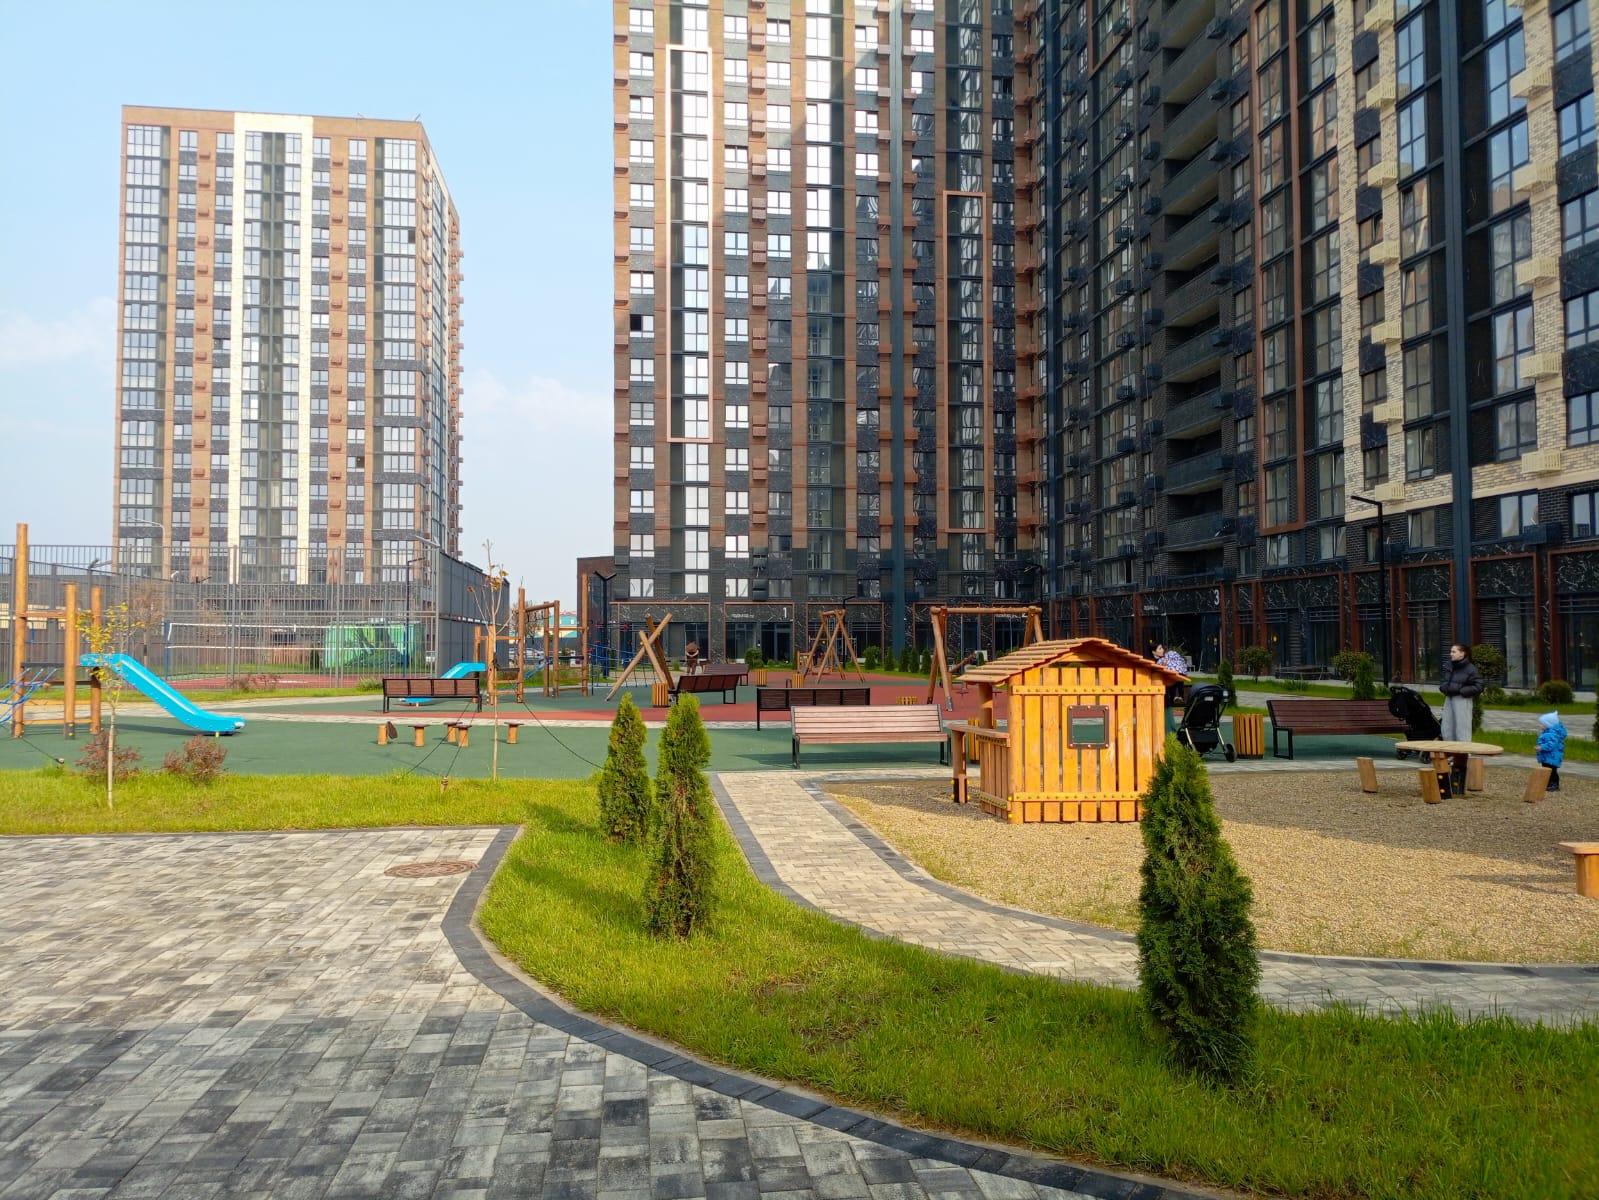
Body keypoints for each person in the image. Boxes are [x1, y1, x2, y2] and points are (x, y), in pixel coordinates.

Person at [1438, 643, 1482, 741]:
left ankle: (1464, 749)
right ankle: (1449, 748)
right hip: (1449, 698)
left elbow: (1479, 686)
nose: (1451, 654)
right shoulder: (1449, 666)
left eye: (1454, 652)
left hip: (1462, 699)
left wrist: (1461, 690)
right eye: (1451, 651)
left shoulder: (1471, 669)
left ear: (1462, 653)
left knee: (1462, 728)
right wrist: (1443, 688)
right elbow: (1444, 681)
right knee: (1446, 727)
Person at [1537, 711, 1567, 792]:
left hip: (1552, 757)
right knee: (1547, 770)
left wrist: (1541, 747)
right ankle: (1548, 783)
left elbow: (1551, 745)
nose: (1540, 725)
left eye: (1542, 724)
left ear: (1548, 724)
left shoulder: (1553, 734)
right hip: (1547, 757)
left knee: (1552, 771)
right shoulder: (1548, 732)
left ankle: (1554, 784)